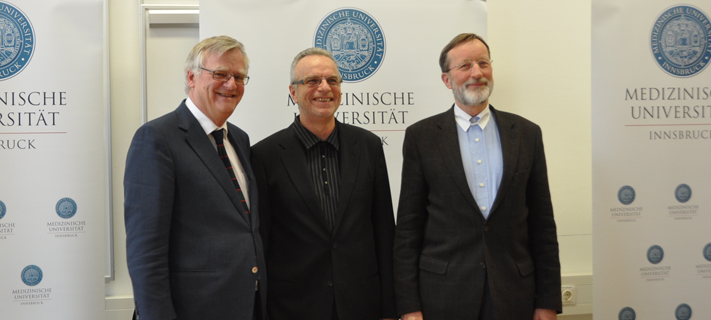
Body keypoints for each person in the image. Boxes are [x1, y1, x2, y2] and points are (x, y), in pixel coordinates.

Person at [393, 33, 562, 320]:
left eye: (483, 63)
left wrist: (547, 302)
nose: (477, 73)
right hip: (443, 296)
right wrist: (409, 307)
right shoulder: (421, 138)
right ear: (447, 79)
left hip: (514, 296)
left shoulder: (526, 134)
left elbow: (542, 224)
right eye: (465, 65)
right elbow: (408, 229)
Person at [124, 35, 266, 320]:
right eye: (220, 74)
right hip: (192, 310)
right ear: (191, 76)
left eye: (239, 77)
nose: (231, 84)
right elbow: (146, 251)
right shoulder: (157, 138)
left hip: (246, 307)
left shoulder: (238, 138)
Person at [250, 47, 397, 320]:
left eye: (332, 80)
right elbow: (262, 241)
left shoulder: (368, 146)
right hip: (293, 307)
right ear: (293, 92)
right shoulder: (264, 155)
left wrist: (390, 308)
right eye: (312, 81)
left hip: (361, 304)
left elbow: (384, 231)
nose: (324, 87)